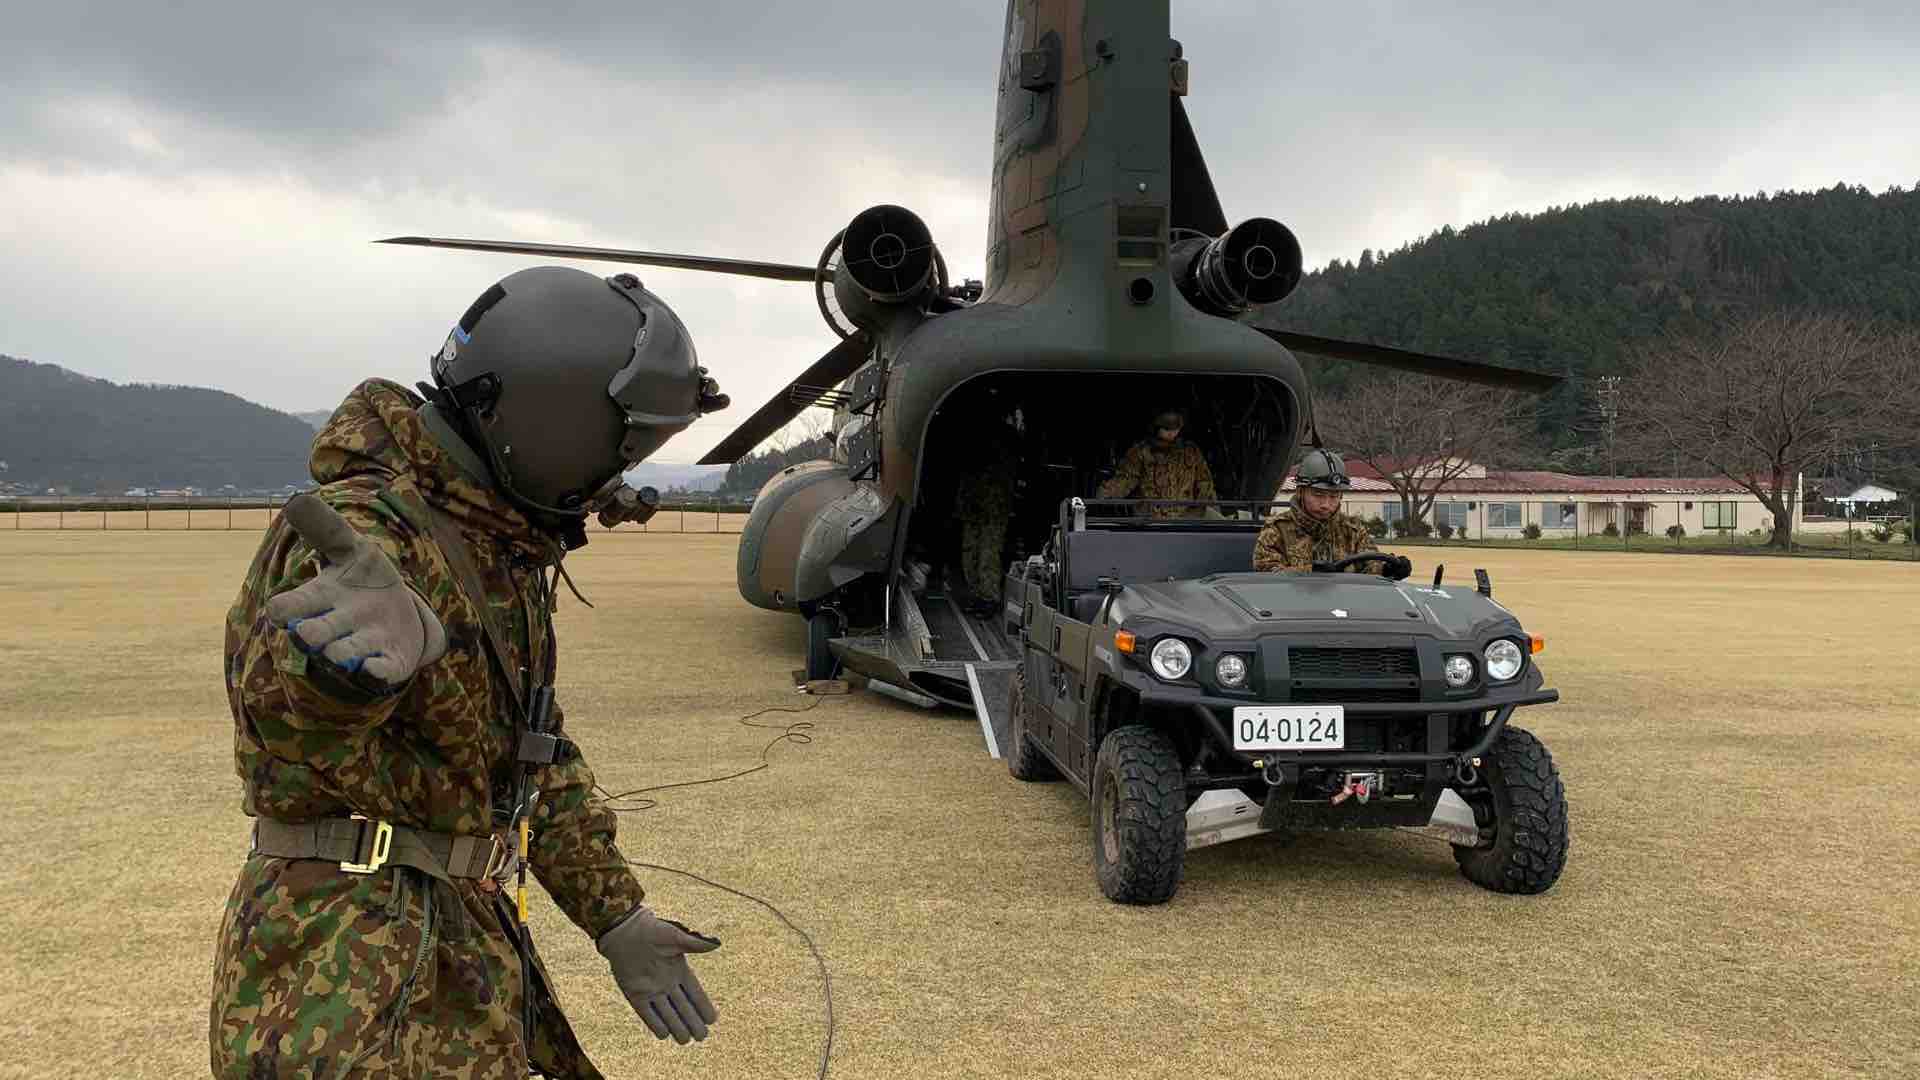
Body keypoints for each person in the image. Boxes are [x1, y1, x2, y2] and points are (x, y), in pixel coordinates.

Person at [210, 266, 731, 1079]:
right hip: (346, 970)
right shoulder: (366, 535)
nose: (613, 483)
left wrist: (615, 914)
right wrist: (344, 679)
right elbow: (282, 722)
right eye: (619, 450)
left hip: (457, 939)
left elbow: (529, 754)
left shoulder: (491, 544)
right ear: (556, 426)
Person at [1253, 447, 1411, 578]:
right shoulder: (1277, 529)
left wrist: (1388, 570)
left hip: (1346, 609)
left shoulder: (1352, 530)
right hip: (1294, 611)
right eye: (1318, 495)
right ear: (1301, 492)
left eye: (1334, 496)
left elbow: (1369, 567)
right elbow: (1267, 575)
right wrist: (1309, 574)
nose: (1326, 504)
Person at [952, 406, 1022, 615]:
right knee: (976, 551)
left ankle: (987, 597)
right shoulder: (994, 437)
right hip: (979, 503)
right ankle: (980, 595)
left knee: (986, 553)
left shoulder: (1004, 439)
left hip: (991, 505)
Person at [1096, 407, 1217, 519]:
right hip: (1152, 521)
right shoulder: (1141, 452)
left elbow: (1204, 483)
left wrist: (1213, 514)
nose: (1171, 433)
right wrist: (1105, 494)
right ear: (1157, 427)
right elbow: (1126, 479)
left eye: (1175, 429)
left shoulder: (1191, 451)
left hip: (1186, 520)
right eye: (1166, 429)